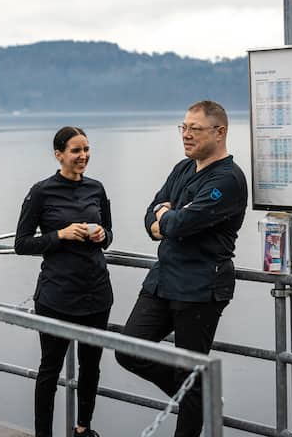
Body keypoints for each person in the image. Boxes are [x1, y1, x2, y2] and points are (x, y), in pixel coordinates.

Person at [115, 100, 247, 437]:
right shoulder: (182, 168)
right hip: (162, 280)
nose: (186, 135)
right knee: (129, 349)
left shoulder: (228, 180)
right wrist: (164, 217)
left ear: (220, 132)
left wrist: (167, 216)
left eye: (195, 129)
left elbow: (180, 222)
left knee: (192, 371)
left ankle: (195, 397)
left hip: (201, 287)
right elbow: (151, 217)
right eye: (183, 128)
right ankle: (198, 396)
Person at [15, 126, 113, 437]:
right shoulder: (42, 191)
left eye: (86, 149)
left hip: (96, 292)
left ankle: (83, 429)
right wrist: (60, 235)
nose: (83, 155)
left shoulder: (96, 189)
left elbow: (109, 235)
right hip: (56, 295)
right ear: (59, 154)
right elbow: (22, 243)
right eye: (76, 150)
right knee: (50, 370)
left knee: (91, 367)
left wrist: (101, 234)